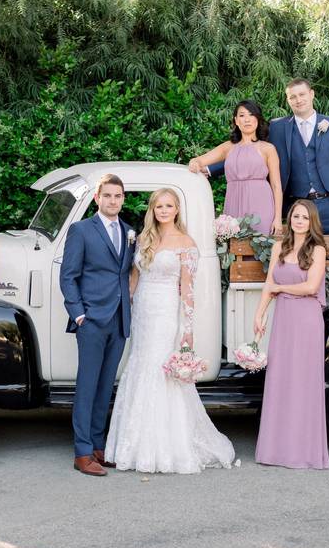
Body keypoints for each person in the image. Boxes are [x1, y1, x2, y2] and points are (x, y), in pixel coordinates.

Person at [104, 188, 236, 474]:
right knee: (139, 367)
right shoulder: (143, 239)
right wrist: (118, 309)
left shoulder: (185, 243)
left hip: (166, 313)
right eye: (158, 206)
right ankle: (133, 446)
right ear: (152, 210)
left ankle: (165, 449)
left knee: (160, 371)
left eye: (168, 206)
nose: (163, 211)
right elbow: (133, 281)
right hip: (142, 313)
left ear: (176, 210)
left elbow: (187, 291)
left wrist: (187, 331)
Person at [205, 79, 329, 234]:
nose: (298, 100)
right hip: (297, 209)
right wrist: (210, 169)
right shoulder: (277, 127)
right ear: (288, 100)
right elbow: (251, 152)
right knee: (301, 258)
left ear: (312, 94)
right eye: (293, 97)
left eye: (302, 94)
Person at [59, 174, 134, 476]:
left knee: (105, 387)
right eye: (107, 196)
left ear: (123, 199)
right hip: (91, 319)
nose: (113, 201)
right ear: (97, 198)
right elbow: (68, 276)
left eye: (118, 196)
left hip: (118, 319)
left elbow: (125, 274)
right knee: (87, 386)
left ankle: (99, 448)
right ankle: (82, 452)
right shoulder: (81, 230)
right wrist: (78, 314)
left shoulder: (129, 232)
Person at [253, 199, 329, 469]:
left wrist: (280, 289)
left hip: (307, 319)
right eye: (296, 216)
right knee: (281, 380)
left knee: (303, 381)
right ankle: (277, 450)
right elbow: (268, 284)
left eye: (305, 218)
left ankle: (304, 451)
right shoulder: (279, 247)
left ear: (312, 222)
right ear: (290, 219)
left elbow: (310, 287)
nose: (299, 221)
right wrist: (260, 313)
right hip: (283, 318)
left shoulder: (318, 249)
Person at [188, 100, 282, 235]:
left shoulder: (268, 149)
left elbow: (276, 185)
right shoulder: (228, 147)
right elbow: (199, 160)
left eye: (251, 115)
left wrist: (278, 218)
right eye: (242, 115)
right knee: (234, 244)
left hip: (261, 203)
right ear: (236, 121)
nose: (247, 120)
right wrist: (194, 164)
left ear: (258, 119)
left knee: (261, 245)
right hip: (233, 201)